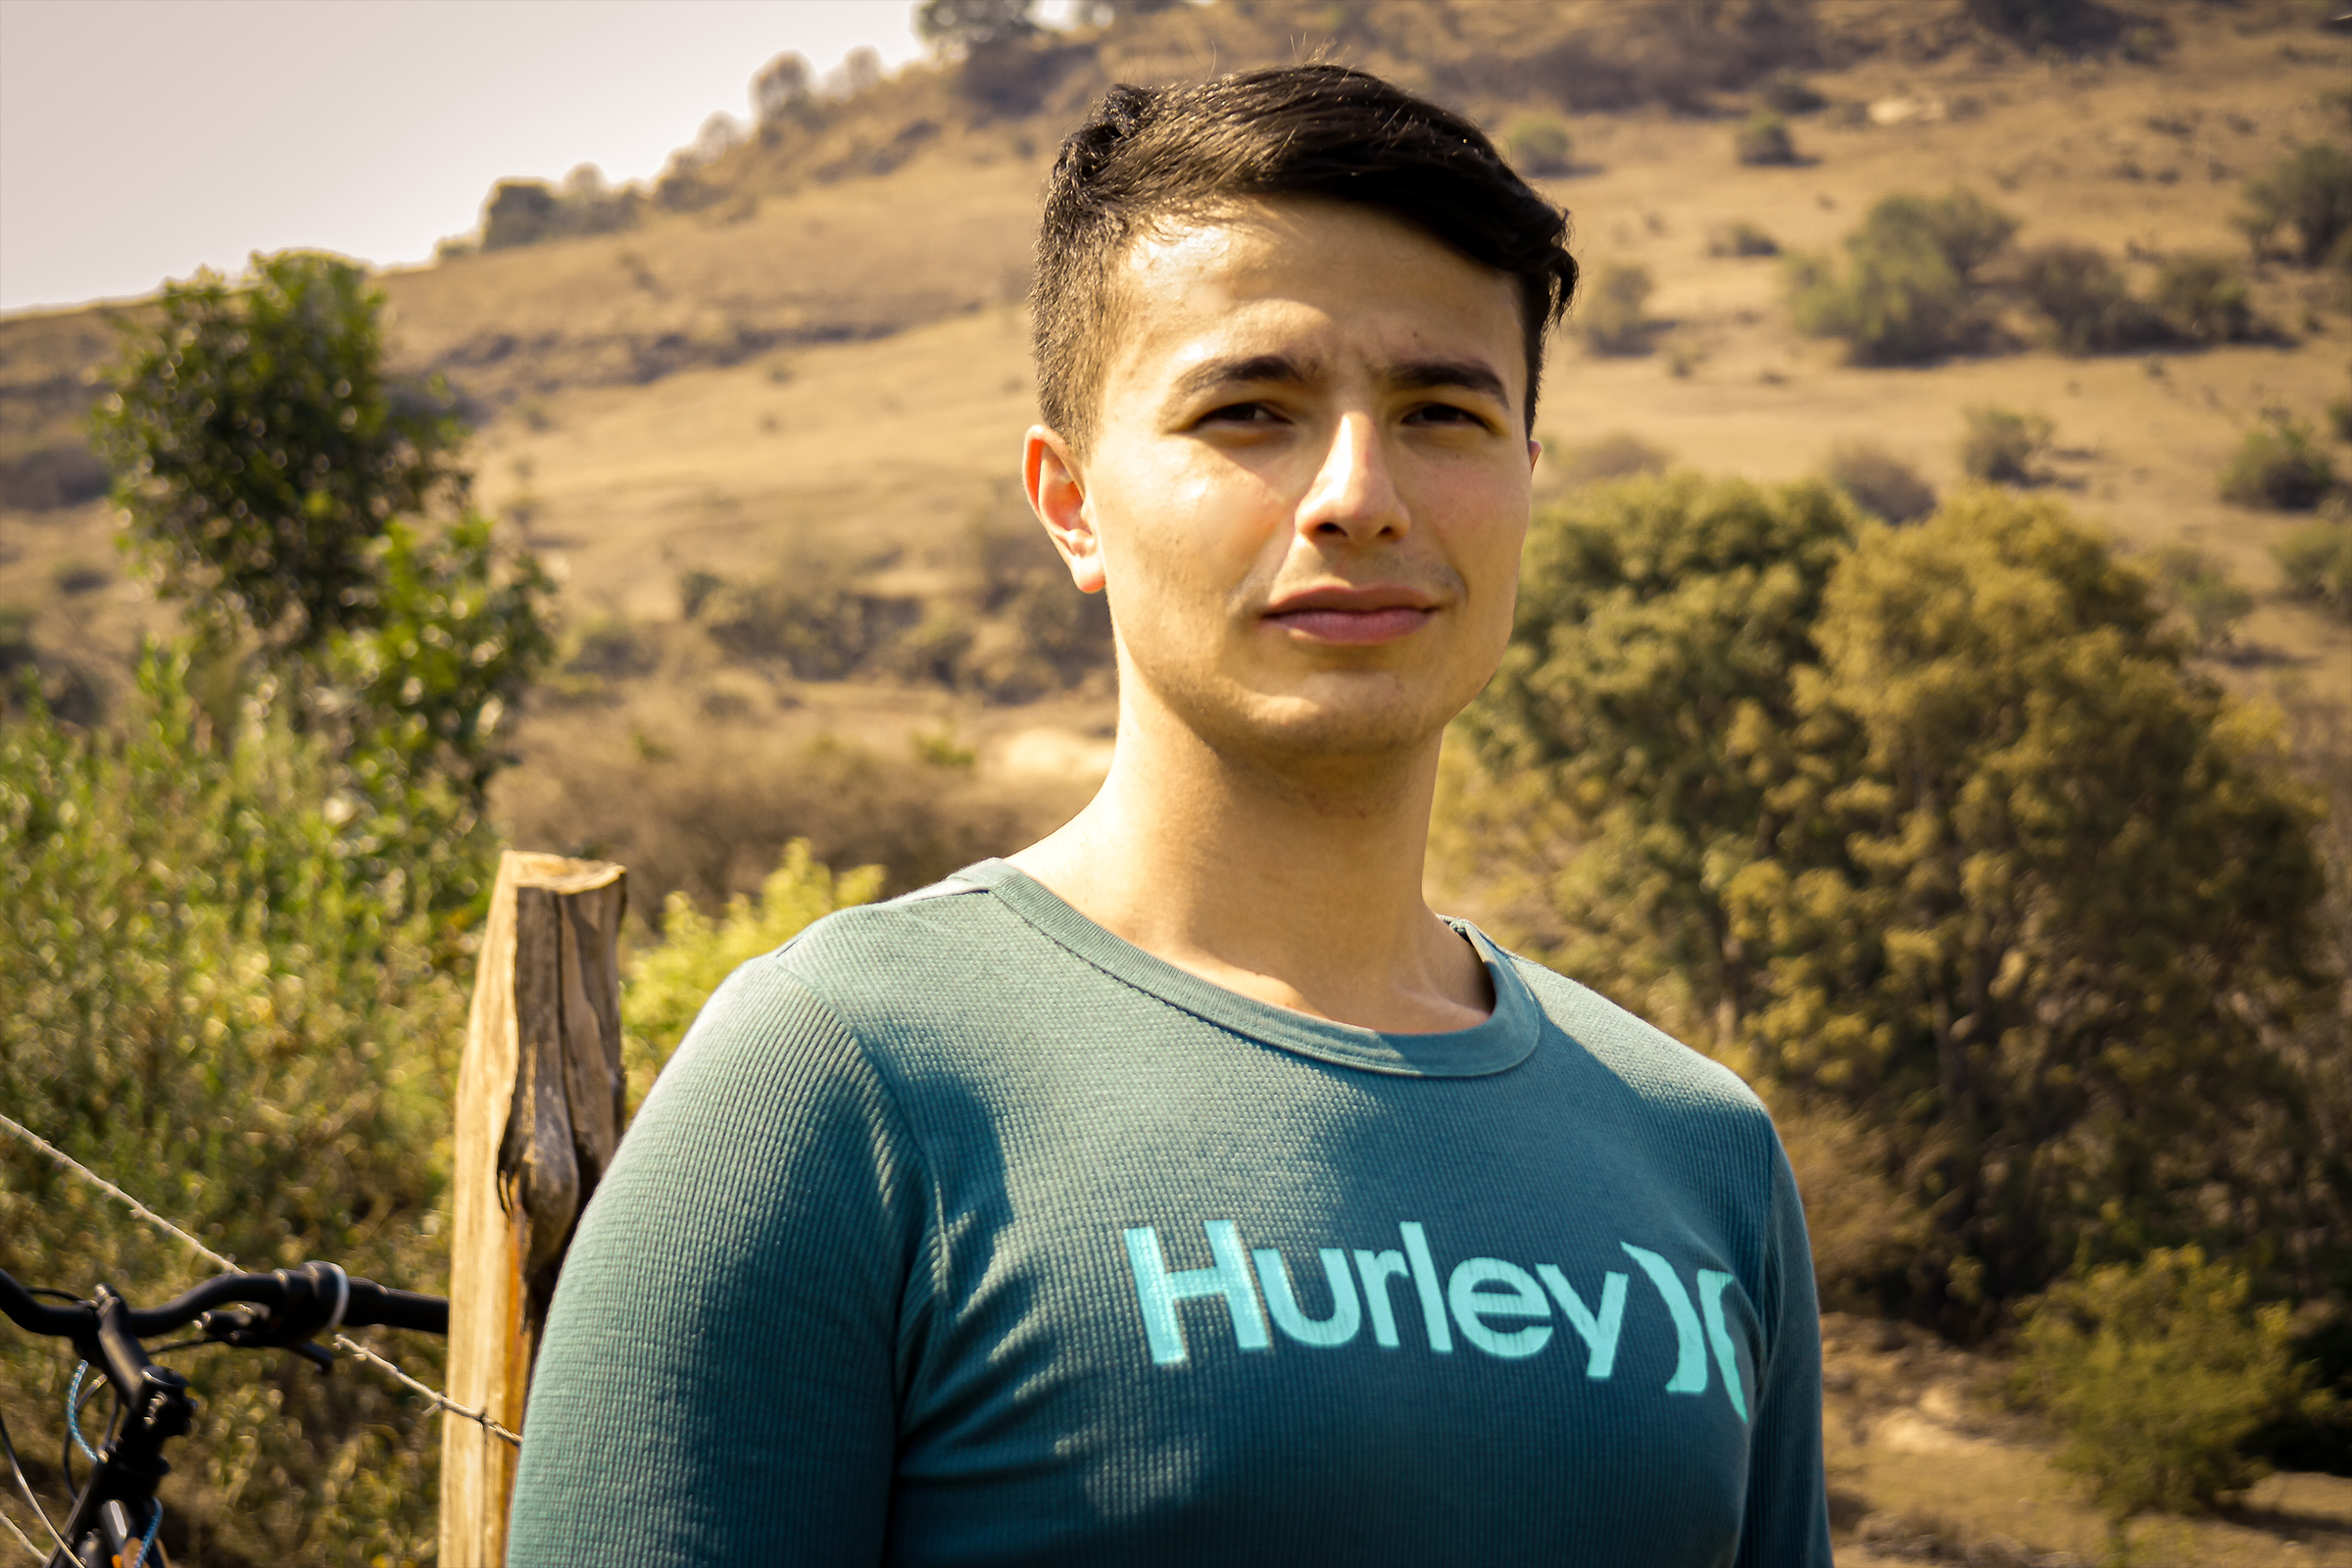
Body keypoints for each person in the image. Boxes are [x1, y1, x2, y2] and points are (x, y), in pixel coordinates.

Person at [506, 64, 1831, 1566]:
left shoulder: (1701, 1152)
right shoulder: (842, 1084)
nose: (1357, 494)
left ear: (1527, 474)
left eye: (1443, 411)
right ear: (1070, 499)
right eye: (1248, 410)